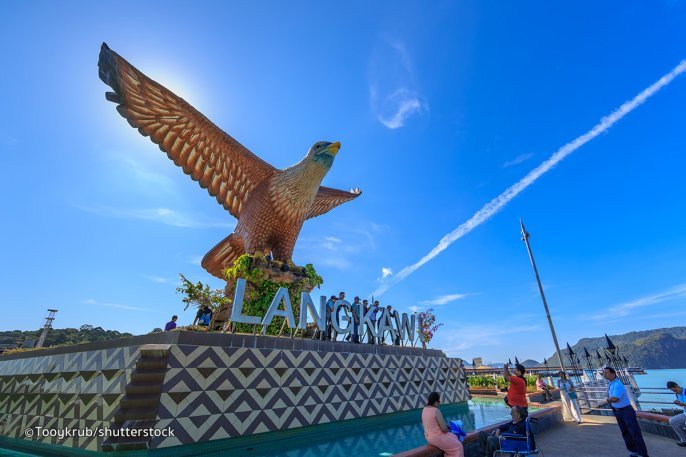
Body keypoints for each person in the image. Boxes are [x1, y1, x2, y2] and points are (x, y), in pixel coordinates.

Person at [604, 366, 650, 457]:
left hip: (626, 411)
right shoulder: (610, 384)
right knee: (625, 432)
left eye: (606, 373)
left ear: (613, 374)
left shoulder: (617, 384)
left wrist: (608, 399)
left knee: (634, 432)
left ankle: (642, 454)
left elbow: (615, 398)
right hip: (618, 411)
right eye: (604, 373)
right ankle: (634, 451)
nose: (604, 374)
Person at [421, 392, 464, 457]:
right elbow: (444, 429)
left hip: (429, 437)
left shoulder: (424, 409)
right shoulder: (436, 411)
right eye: (439, 401)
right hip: (437, 437)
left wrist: (448, 426)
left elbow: (433, 423)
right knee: (458, 446)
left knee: (455, 437)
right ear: (435, 402)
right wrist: (449, 428)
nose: (439, 403)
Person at [666, 381, 686, 446]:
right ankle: (684, 440)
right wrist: (678, 403)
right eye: (673, 391)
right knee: (672, 421)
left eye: (675, 390)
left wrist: (684, 404)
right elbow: (683, 405)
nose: (675, 392)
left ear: (677, 386)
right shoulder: (677, 394)